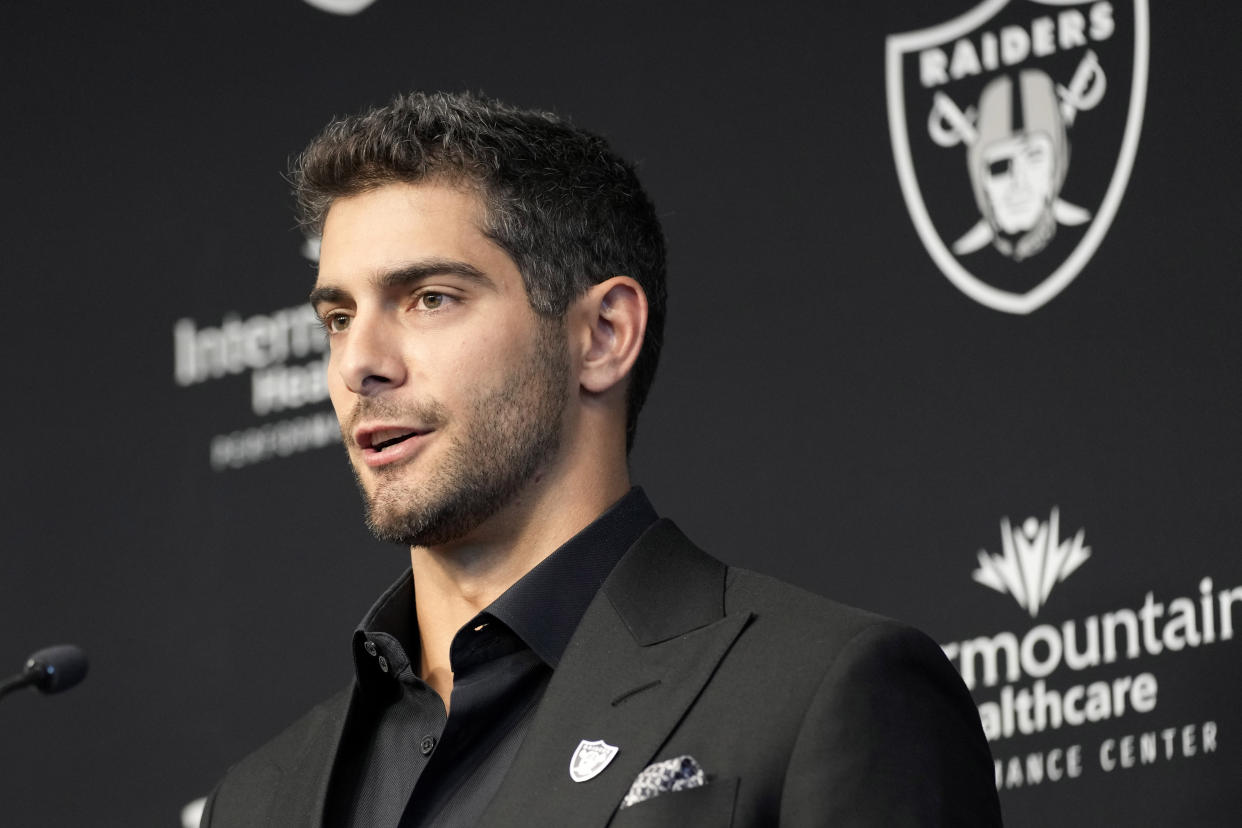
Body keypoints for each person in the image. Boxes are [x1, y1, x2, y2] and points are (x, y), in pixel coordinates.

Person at [203, 91, 1002, 827]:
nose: (358, 364)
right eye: (338, 317)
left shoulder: (820, 690)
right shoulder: (256, 802)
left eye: (429, 299)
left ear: (603, 335)